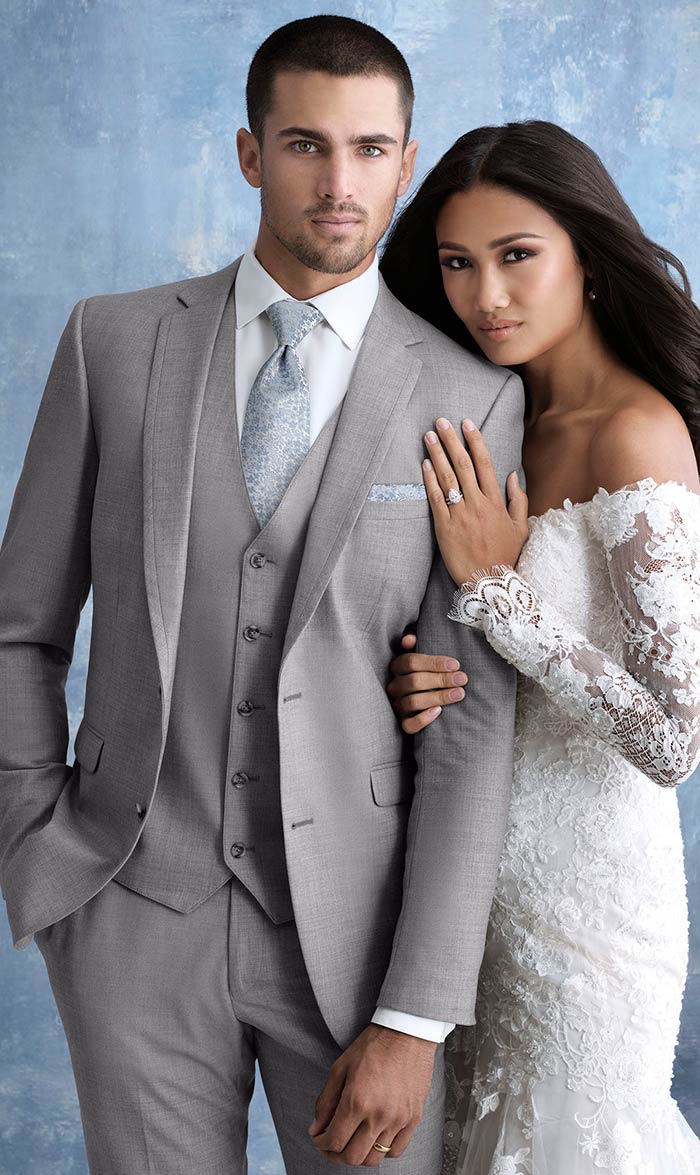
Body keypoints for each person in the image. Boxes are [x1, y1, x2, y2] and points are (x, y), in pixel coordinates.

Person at [0, 17, 525, 1174]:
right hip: (130, 911)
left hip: (358, 945)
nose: (339, 184)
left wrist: (416, 1013)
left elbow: (474, 725)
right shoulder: (114, 343)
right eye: (304, 145)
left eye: (370, 150)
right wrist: (35, 843)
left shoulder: (470, 393)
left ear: (404, 158)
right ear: (250, 154)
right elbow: (19, 629)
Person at [381, 119, 700, 1174]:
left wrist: (495, 591)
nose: (486, 297)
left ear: (587, 258)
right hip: (471, 882)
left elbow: (670, 739)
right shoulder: (494, 418)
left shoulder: (635, 431)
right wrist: (419, 675)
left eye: (517, 256)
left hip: (592, 905)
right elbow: (489, 657)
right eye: (458, 264)